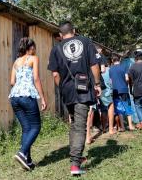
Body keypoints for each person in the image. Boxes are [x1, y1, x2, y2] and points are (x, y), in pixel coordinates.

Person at [48, 21, 102, 176]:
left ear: (60, 35)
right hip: (83, 88)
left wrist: (63, 89)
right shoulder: (85, 41)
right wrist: (97, 84)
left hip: (67, 91)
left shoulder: (56, 48)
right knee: (79, 126)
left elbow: (55, 74)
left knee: (74, 124)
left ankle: (75, 157)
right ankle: (75, 165)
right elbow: (94, 65)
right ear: (74, 31)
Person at [9, 37, 47, 171]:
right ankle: (22, 152)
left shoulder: (16, 61)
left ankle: (28, 160)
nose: (35, 50)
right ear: (30, 48)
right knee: (36, 126)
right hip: (27, 96)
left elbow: (12, 81)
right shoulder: (33, 58)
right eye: (34, 47)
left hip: (14, 97)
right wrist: (42, 98)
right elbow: (36, 78)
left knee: (26, 128)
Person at [109, 55, 135, 131]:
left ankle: (122, 127)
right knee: (127, 106)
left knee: (119, 108)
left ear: (112, 60)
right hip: (124, 90)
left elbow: (110, 81)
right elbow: (127, 79)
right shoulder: (124, 67)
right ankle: (130, 126)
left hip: (115, 90)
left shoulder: (110, 69)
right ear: (119, 59)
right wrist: (125, 83)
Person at [100, 62, 116, 135]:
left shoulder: (97, 70)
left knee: (103, 110)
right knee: (110, 106)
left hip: (100, 92)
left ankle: (103, 128)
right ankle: (110, 128)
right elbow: (112, 81)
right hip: (108, 91)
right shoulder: (109, 70)